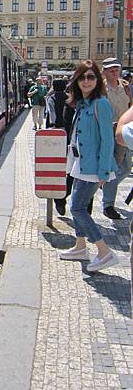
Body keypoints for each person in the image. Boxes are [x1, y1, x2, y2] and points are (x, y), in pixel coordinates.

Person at [59, 60, 118, 272]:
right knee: (78, 204)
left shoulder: (100, 103)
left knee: (77, 207)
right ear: (77, 80)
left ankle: (104, 251)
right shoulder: (83, 103)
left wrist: (103, 171)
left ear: (97, 80)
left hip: (93, 167)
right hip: (81, 164)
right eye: (82, 77)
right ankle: (80, 246)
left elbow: (107, 139)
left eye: (91, 77)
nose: (86, 81)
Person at [100, 57, 132, 220]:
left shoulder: (125, 87)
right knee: (112, 167)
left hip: (123, 131)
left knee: (126, 167)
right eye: (111, 70)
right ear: (104, 72)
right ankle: (108, 205)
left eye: (116, 70)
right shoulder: (101, 89)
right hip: (107, 133)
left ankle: (107, 185)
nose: (115, 73)